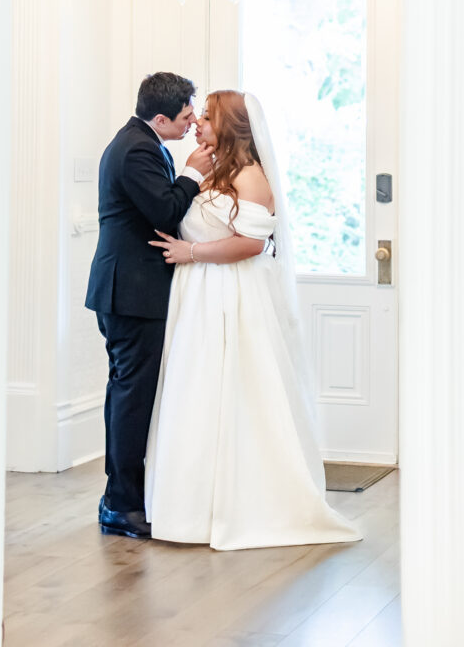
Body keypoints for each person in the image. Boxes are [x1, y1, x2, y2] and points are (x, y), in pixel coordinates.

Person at [146, 90, 362, 550]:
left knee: (237, 391)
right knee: (197, 392)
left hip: (233, 292)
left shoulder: (251, 176)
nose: (197, 122)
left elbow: (252, 243)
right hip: (198, 294)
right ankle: (190, 509)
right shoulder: (210, 171)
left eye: (206, 116)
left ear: (231, 126)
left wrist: (191, 251)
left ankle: (245, 503)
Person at [85, 72, 213, 539]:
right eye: (184, 117)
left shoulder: (140, 140)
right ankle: (120, 504)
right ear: (160, 118)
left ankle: (121, 496)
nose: (191, 123)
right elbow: (164, 210)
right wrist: (194, 173)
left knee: (129, 393)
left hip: (132, 291)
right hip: (132, 294)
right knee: (131, 396)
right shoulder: (137, 149)